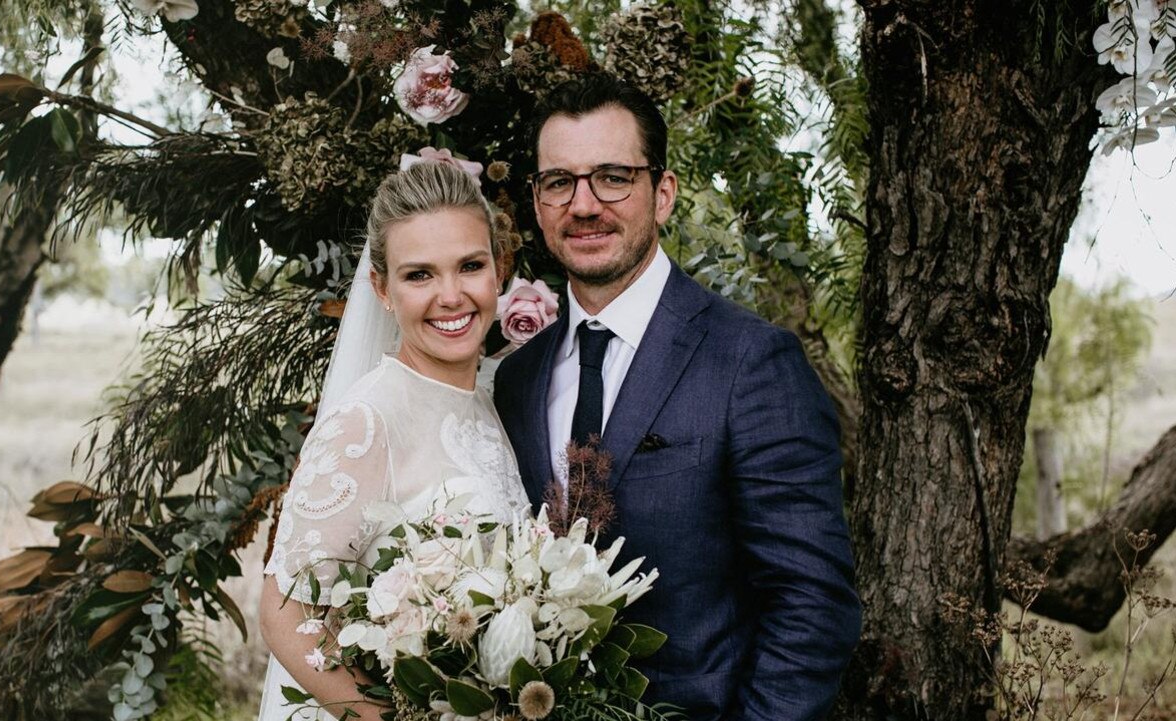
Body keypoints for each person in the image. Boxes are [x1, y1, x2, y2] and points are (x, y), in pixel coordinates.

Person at [492, 73, 862, 720]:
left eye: (612, 176)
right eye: (560, 182)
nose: (584, 205)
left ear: (662, 194)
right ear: (537, 200)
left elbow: (812, 603)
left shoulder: (751, 361)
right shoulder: (517, 378)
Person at [257, 162, 529, 721]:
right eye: (419, 275)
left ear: (498, 271)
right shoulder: (366, 421)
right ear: (381, 288)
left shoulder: (491, 397)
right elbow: (285, 611)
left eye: (470, 266)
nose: (451, 296)